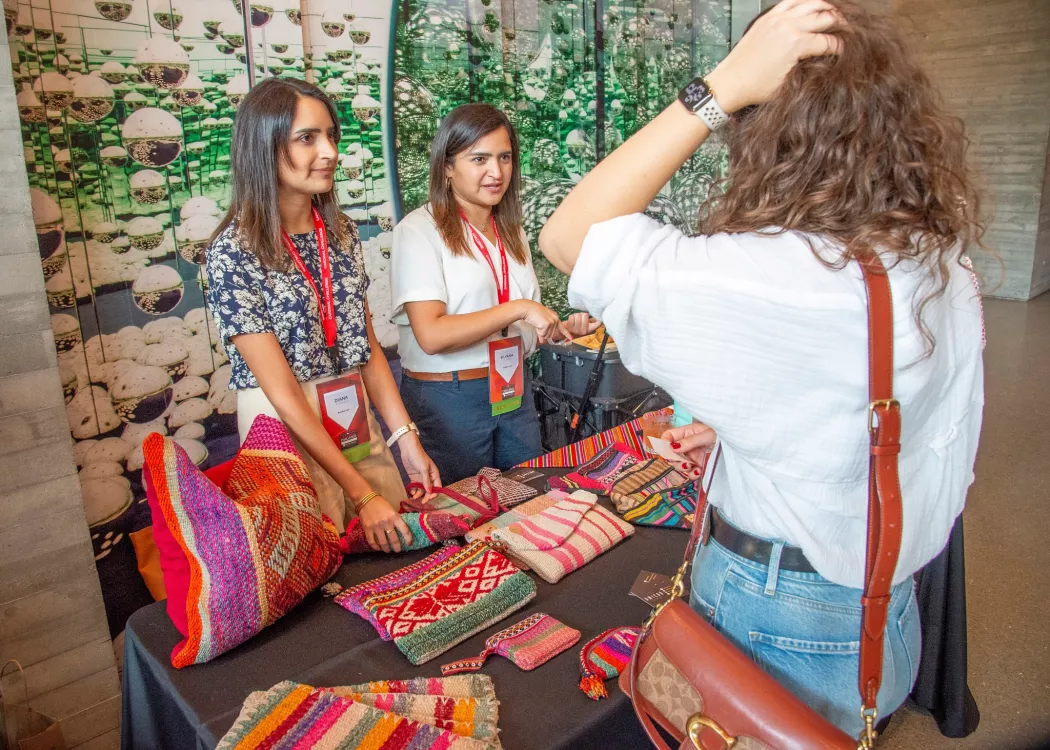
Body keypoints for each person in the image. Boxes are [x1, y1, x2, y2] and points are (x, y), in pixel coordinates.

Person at [540, 0, 985, 736]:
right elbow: (891, 422)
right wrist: (751, 441)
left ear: (766, 132)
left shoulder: (783, 275)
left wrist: (716, 88)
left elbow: (568, 237)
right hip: (884, 608)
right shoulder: (938, 257)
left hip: (783, 620)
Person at [206, 77, 441, 553]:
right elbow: (283, 395)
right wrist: (362, 492)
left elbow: (366, 346)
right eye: (307, 138)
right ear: (263, 146)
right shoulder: (234, 250)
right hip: (284, 426)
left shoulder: (340, 233)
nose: (330, 151)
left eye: (331, 135)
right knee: (318, 569)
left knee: (397, 548)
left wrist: (404, 438)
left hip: (350, 412)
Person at [391, 103, 600, 483]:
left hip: (512, 390)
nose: (496, 171)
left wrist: (557, 325)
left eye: (505, 158)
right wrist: (519, 307)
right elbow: (432, 335)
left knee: (528, 502)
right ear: (447, 166)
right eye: (480, 158)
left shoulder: (510, 231)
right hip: (450, 400)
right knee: (461, 519)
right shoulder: (420, 231)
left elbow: (511, 325)